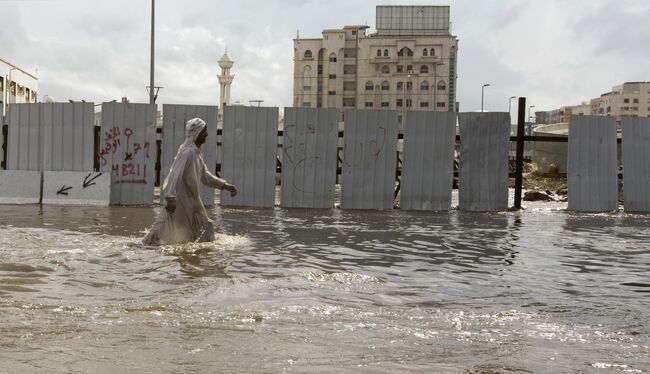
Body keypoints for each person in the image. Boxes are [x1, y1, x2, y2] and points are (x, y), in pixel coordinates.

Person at [143, 118, 237, 245]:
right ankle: (145, 248)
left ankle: (193, 258)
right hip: (181, 202)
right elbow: (174, 175)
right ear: (197, 132)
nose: (207, 134)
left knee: (199, 233)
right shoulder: (188, 152)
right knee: (164, 229)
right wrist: (170, 198)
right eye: (204, 131)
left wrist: (225, 186)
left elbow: (205, 176)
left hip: (191, 201)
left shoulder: (196, 153)